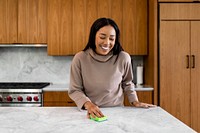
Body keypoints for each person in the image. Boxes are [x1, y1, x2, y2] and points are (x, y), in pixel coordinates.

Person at [68, 17, 155, 118]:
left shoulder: (123, 57)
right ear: (93, 36)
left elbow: (127, 83)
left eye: (112, 39)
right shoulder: (80, 58)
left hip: (117, 112)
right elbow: (75, 90)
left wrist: (135, 101)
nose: (107, 43)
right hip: (89, 112)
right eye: (102, 37)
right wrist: (89, 105)